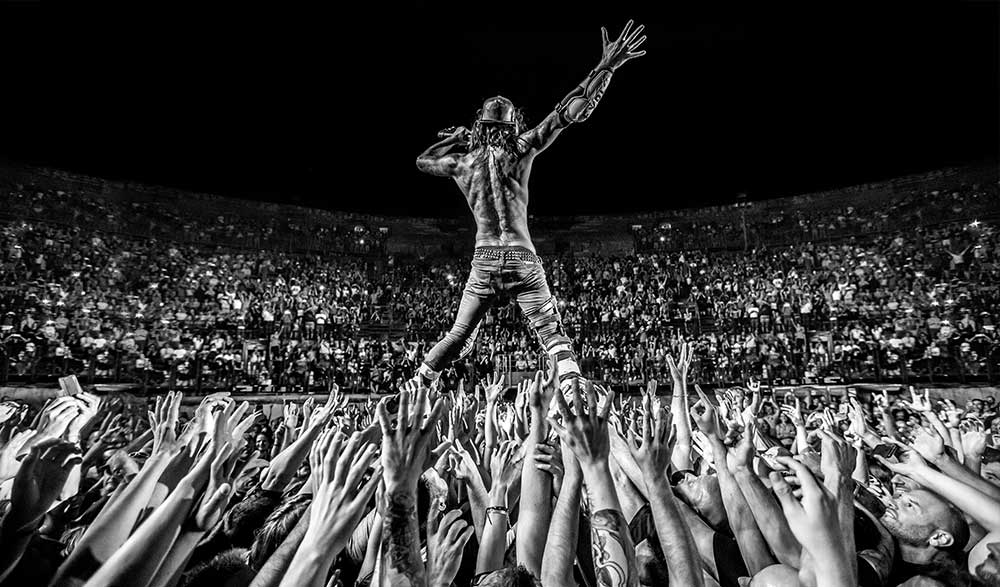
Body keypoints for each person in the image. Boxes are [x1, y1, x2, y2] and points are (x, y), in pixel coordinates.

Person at [413, 20, 647, 390]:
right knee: (552, 335)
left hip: (485, 258)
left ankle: (418, 384)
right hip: (522, 257)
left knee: (459, 335)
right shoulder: (521, 148)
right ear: (510, 126)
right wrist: (605, 68)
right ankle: (571, 389)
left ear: (480, 125)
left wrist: (454, 139)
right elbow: (567, 112)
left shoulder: (461, 162)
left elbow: (422, 162)